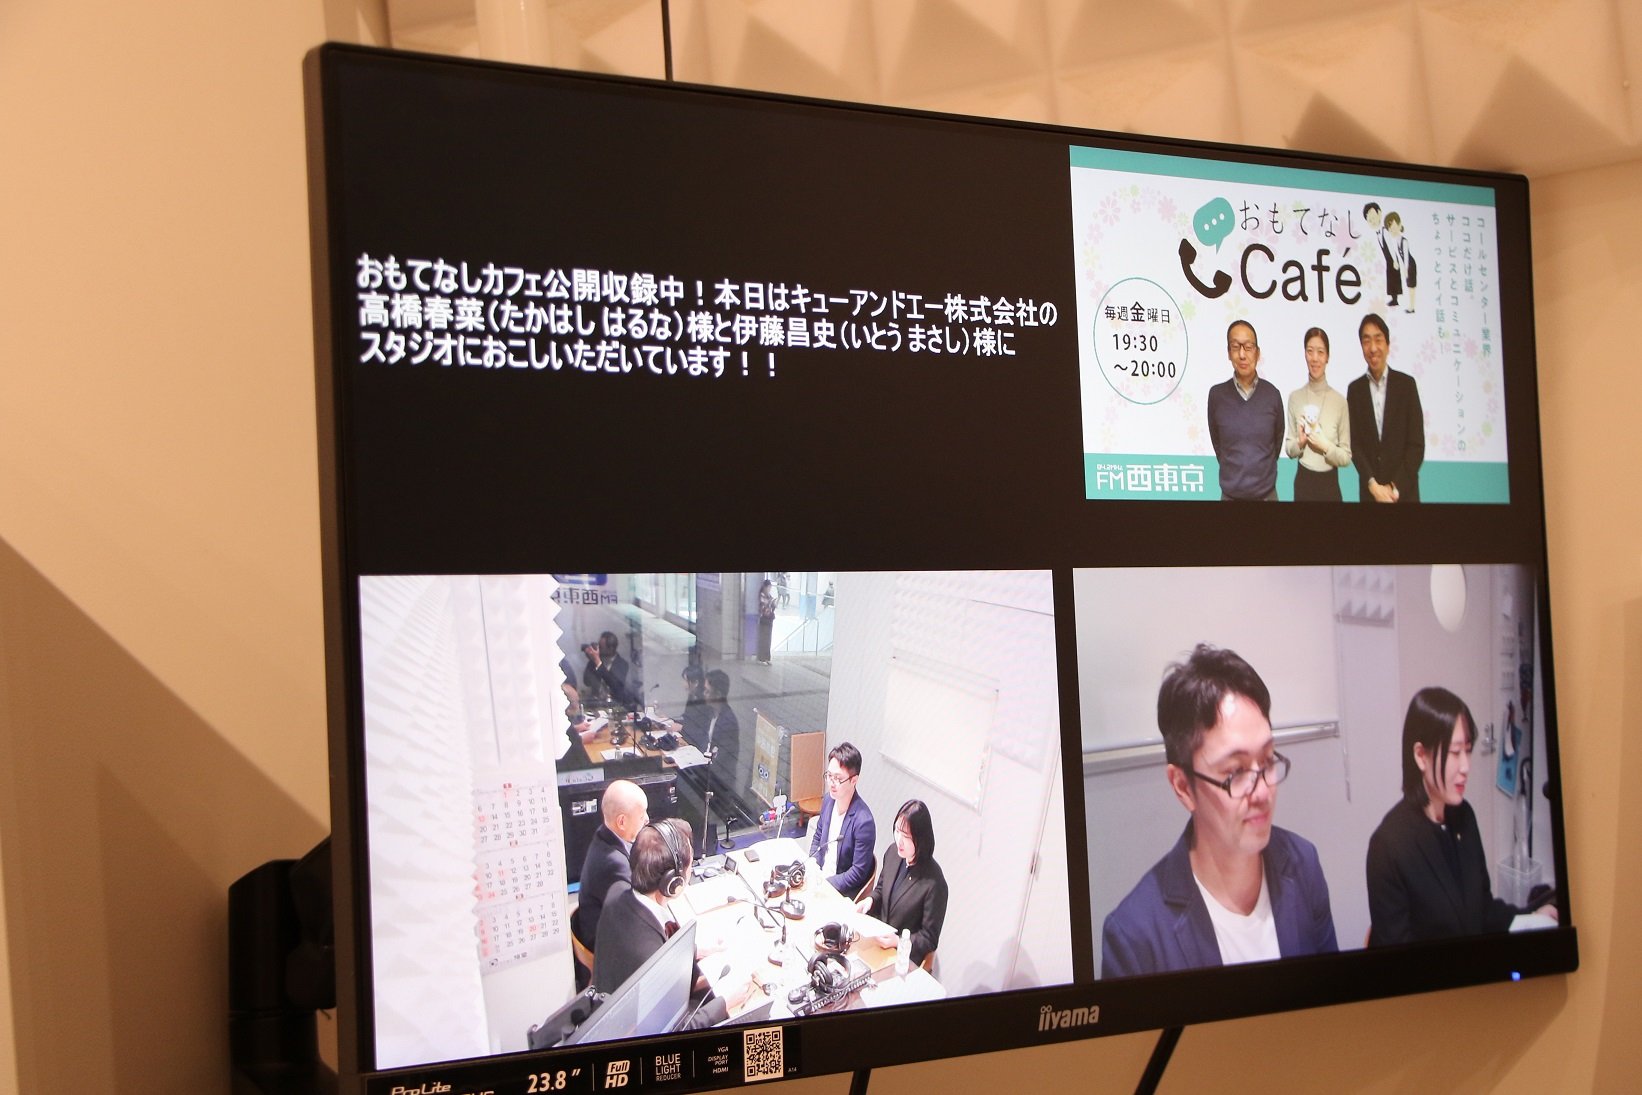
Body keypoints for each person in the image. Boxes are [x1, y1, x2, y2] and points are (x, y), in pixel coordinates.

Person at [1101, 644, 1337, 978]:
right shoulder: (1136, 937)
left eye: (1268, 760)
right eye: (1235, 773)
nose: (1262, 792)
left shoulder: (1303, 865)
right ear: (1183, 787)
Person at [1366, 688, 1556, 946]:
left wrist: (1534, 917)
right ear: (1421, 756)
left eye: (1468, 750)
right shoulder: (1388, 847)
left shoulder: (1463, 815)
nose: (1466, 766)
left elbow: (1482, 910)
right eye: (1455, 753)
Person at [592, 818, 755, 1027]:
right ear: (673, 882)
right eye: (689, 865)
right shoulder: (651, 960)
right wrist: (725, 1002)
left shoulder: (617, 892)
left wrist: (696, 950)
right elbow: (677, 1029)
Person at [855, 799, 947, 966]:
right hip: (877, 941)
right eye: (897, 831)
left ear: (921, 839)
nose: (899, 840)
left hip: (902, 958)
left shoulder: (934, 883)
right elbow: (881, 888)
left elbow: (929, 939)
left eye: (906, 836)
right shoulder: (893, 853)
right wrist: (870, 900)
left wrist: (897, 941)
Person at [1346, 313, 1424, 503]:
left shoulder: (1406, 385)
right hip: (1370, 494)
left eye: (1378, 339)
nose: (1373, 348)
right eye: (1366, 341)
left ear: (1388, 345)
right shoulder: (1355, 390)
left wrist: (1393, 488)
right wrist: (1373, 486)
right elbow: (1354, 443)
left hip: (1404, 495)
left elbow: (1416, 445)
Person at [1207, 319, 1285, 501]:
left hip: (1267, 497)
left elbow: (1277, 441)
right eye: (1236, 347)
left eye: (1248, 347)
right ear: (1229, 353)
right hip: (1230, 498)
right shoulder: (1217, 395)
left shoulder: (1272, 394)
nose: (1242, 355)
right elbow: (1218, 445)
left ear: (1257, 353)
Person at [575, 779, 649, 953]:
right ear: (621, 822)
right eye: (641, 815)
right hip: (607, 948)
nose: (647, 819)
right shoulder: (615, 865)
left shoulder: (603, 834)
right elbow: (640, 919)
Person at [1285, 327, 1352, 501]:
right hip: (1303, 482)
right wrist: (1300, 442)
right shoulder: (1295, 398)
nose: (1315, 358)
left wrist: (1325, 446)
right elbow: (1289, 449)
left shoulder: (1340, 402)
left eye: (1320, 352)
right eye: (1310, 351)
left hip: (1330, 485)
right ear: (1305, 354)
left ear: (1327, 357)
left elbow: (1346, 457)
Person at [809, 742, 876, 898]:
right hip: (819, 879)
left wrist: (826, 884)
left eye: (838, 779)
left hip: (840, 891)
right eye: (829, 776)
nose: (831, 783)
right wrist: (813, 865)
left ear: (854, 780)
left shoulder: (864, 822)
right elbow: (818, 837)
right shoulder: (828, 800)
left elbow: (857, 872)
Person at [582, 631, 637, 707]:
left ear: (611, 649)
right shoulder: (595, 661)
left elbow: (614, 685)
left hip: (615, 705)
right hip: (596, 704)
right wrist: (591, 660)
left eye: (601, 647)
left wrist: (597, 661)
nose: (598, 649)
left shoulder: (622, 664)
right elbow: (586, 682)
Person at [1384, 211, 1418, 312]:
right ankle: (1411, 306)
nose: (1392, 230)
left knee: (1411, 286)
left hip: (1410, 265)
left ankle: (1412, 307)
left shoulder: (1404, 241)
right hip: (1406, 265)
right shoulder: (1396, 241)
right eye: (1390, 228)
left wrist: (1405, 269)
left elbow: (1406, 257)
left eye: (1394, 227)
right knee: (1409, 285)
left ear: (1399, 225)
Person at [756, 579, 777, 665]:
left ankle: (767, 658)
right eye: (768, 587)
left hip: (769, 619)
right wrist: (770, 604)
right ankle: (761, 658)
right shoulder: (762, 595)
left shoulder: (769, 595)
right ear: (764, 587)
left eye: (770, 587)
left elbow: (771, 606)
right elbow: (763, 607)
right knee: (763, 639)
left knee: (768, 639)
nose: (769, 589)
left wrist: (773, 605)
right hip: (764, 619)